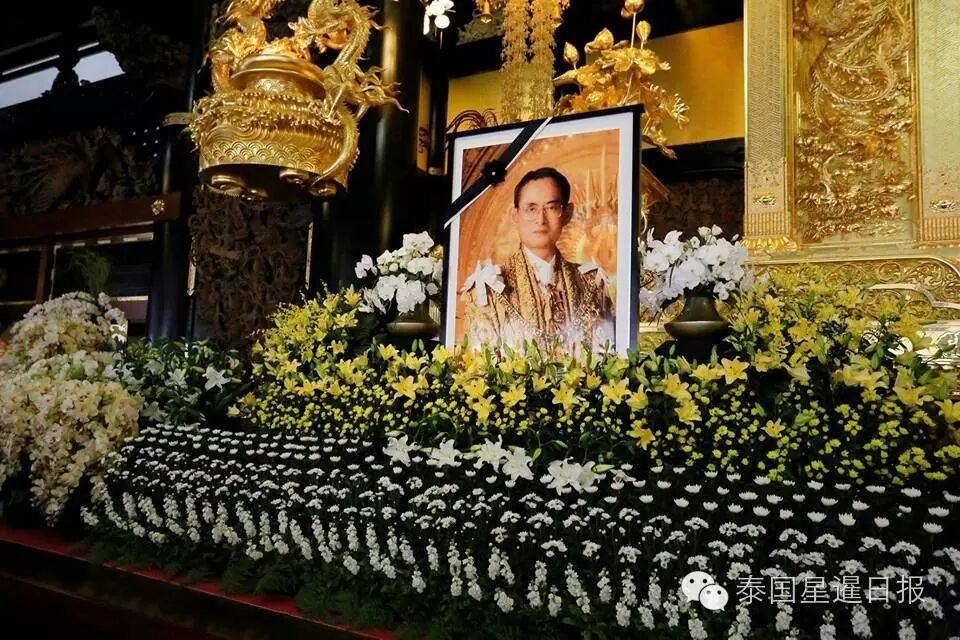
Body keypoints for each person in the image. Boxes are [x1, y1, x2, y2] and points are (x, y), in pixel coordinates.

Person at [461, 167, 615, 352]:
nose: (540, 219)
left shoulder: (592, 284)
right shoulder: (488, 288)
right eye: (531, 209)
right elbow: (478, 363)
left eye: (552, 208)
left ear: (567, 213)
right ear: (515, 216)